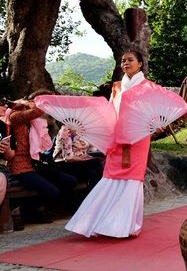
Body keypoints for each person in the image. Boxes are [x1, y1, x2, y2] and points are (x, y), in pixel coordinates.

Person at [66, 51, 156, 238]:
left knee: (132, 179)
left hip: (138, 138)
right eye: (123, 60)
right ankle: (97, 222)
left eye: (130, 60)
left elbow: (153, 112)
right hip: (117, 136)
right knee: (111, 176)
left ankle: (124, 225)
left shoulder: (149, 87)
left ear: (140, 64)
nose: (126, 63)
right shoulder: (116, 87)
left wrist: (155, 124)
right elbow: (109, 111)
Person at [3, 91, 78, 224]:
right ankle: (20, 211)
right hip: (20, 167)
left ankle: (46, 209)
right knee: (52, 191)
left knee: (69, 181)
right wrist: (27, 102)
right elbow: (38, 110)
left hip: (36, 164)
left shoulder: (35, 122)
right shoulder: (15, 115)